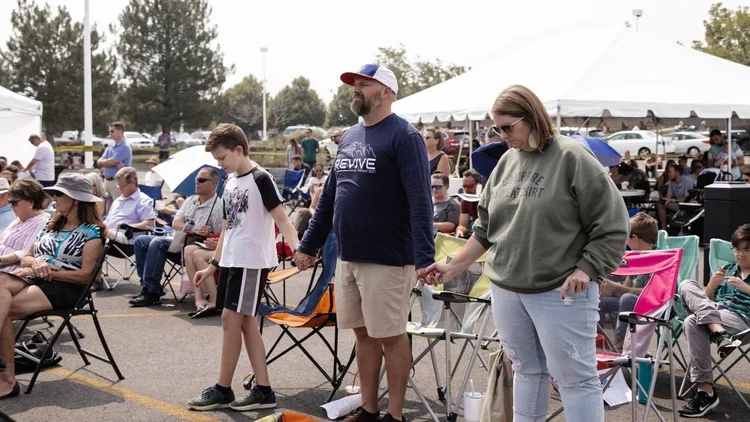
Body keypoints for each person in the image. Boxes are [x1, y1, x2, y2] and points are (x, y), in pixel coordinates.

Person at [422, 84, 629, 422]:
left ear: (532, 117)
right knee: (527, 371)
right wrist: (452, 268)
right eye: (497, 129)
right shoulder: (506, 162)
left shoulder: (572, 157)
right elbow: (486, 231)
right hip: (507, 288)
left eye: (508, 127)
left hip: (561, 290)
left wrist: (587, 269)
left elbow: (613, 223)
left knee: (576, 380)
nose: (503, 136)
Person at [295, 64, 434, 422]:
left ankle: (396, 415)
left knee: (390, 335)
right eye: (353, 84)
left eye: (363, 84)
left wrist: (425, 257)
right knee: (363, 334)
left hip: (388, 258)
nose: (354, 89)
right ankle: (370, 409)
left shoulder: (405, 136)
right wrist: (309, 244)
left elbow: (420, 200)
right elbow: (329, 197)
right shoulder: (351, 136)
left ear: (386, 92)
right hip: (349, 256)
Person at [188, 123, 299, 412]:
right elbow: (227, 229)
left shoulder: (260, 178)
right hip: (233, 260)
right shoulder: (231, 181)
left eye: (223, 158)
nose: (220, 165)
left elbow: (283, 220)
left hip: (252, 261)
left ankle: (223, 389)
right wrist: (212, 265)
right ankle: (263, 390)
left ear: (239, 150)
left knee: (229, 319)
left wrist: (298, 249)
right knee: (247, 323)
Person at [0, 173, 104, 398]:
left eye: (58, 194)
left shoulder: (93, 233)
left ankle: (7, 381)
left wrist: (51, 272)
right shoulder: (51, 224)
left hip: (65, 288)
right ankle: (6, 380)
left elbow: (86, 277)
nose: (53, 198)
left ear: (75, 199)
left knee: (3, 307)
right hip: (35, 277)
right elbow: (26, 257)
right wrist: (36, 263)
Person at [677, 224, 750, 417]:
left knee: (692, 321)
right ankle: (719, 334)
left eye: (747, 249)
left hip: (741, 320)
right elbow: (707, 300)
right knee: (686, 284)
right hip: (716, 314)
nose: (741, 254)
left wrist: (746, 288)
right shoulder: (728, 269)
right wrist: (711, 285)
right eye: (737, 249)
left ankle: (705, 393)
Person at [131, 167, 222, 308]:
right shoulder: (191, 200)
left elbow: (219, 237)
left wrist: (208, 234)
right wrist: (193, 228)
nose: (197, 182)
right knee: (141, 241)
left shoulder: (218, 206)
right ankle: (147, 286)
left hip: (195, 247)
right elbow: (175, 223)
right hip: (179, 241)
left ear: (214, 184)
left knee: (157, 243)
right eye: (196, 179)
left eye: (201, 180)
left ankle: (152, 292)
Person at [599, 212, 658, 348]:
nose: (625, 242)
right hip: (632, 304)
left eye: (627, 238)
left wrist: (617, 288)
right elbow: (626, 287)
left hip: (653, 307)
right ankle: (599, 343)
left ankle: (620, 343)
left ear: (635, 238)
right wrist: (610, 288)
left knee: (626, 298)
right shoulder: (635, 258)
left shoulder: (658, 259)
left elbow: (652, 292)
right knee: (600, 300)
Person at [0, 179, 50, 273]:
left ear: (31, 202)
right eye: (9, 202)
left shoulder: (42, 222)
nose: (10, 206)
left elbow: (26, 253)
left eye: (14, 203)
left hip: (11, 270)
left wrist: (1, 260)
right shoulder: (19, 219)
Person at [97, 122, 133, 200]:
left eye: (112, 131)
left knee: (119, 207)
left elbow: (111, 162)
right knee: (106, 208)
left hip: (118, 182)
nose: (110, 133)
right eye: (109, 132)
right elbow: (99, 162)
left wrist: (108, 162)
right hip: (107, 181)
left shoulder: (125, 147)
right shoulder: (110, 146)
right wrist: (109, 162)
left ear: (120, 131)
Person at [658, 163, 695, 230]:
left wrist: (673, 200)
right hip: (677, 203)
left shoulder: (687, 181)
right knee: (660, 205)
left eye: (670, 172)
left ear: (677, 173)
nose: (668, 174)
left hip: (687, 205)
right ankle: (664, 228)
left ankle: (682, 230)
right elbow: (668, 196)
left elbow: (687, 199)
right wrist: (665, 200)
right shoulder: (671, 182)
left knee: (679, 208)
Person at [455, 169, 482, 238]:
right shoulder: (465, 200)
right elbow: (463, 225)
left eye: (470, 186)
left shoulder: (487, 199)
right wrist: (460, 231)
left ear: (478, 185)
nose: (466, 190)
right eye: (464, 186)